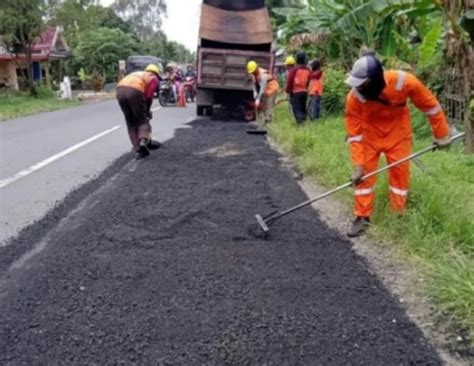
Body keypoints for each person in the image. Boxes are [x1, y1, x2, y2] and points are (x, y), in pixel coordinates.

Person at [344, 55, 451, 237]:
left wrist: (442, 135)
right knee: (364, 178)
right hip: (370, 135)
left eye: (362, 84)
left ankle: (397, 214)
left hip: (398, 133)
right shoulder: (354, 98)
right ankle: (362, 216)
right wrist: (358, 164)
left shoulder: (404, 81)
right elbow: (354, 135)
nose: (358, 88)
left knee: (400, 174)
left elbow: (430, 106)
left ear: (375, 79)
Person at [116, 64, 162, 160]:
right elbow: (149, 96)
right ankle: (143, 141)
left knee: (131, 122)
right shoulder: (153, 78)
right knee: (142, 120)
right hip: (134, 90)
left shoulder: (137, 74)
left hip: (119, 90)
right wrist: (147, 111)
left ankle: (138, 150)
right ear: (157, 73)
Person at [285, 51, 310, 124]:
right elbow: (308, 80)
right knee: (303, 108)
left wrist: (288, 90)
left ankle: (300, 123)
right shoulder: (307, 70)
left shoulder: (294, 70)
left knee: (297, 109)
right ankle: (304, 121)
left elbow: (290, 80)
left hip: (295, 92)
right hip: (304, 92)